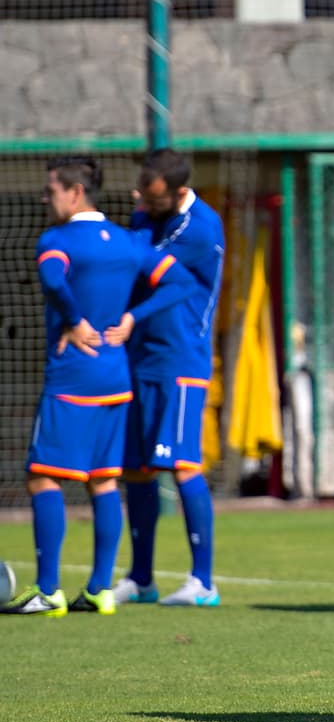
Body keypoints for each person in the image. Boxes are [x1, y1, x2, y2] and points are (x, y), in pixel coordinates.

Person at [2, 156, 193, 616]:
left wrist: (73, 319)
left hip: (73, 376)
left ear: (75, 193)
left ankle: (48, 589)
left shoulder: (59, 239)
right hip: (116, 378)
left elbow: (51, 276)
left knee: (43, 476)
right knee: (104, 482)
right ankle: (99, 589)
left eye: (51, 191)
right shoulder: (130, 243)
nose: (45, 199)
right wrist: (132, 318)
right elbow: (181, 282)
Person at [112, 148, 227, 607]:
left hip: (180, 360)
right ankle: (141, 577)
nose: (140, 198)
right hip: (138, 357)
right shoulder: (145, 214)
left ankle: (203, 581)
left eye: (152, 195)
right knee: (136, 470)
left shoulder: (201, 228)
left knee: (181, 465)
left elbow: (151, 271)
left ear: (179, 192)